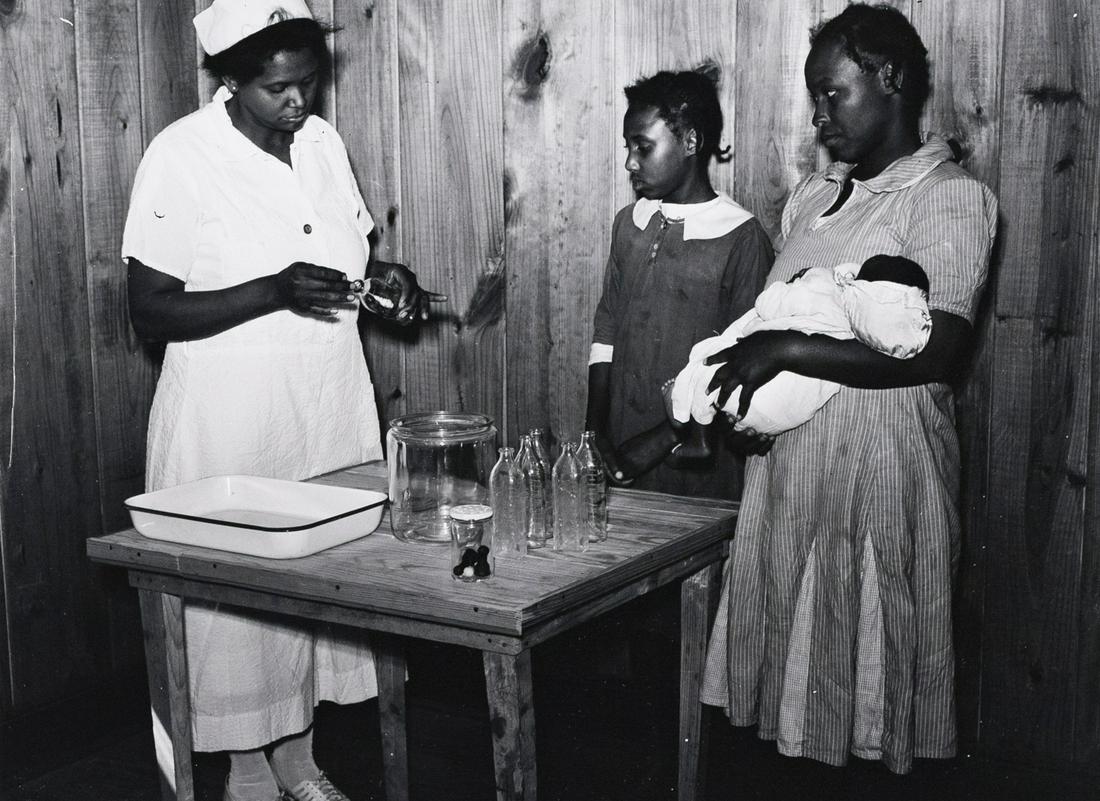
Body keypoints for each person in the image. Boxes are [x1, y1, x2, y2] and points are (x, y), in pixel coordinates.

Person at [122, 2, 441, 800]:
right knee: (238, 605)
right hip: (231, 419)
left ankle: (299, 760)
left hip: (324, 405)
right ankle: (244, 773)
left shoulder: (322, 144)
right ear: (229, 80)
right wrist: (271, 290)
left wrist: (384, 286)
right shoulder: (182, 156)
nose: (299, 103)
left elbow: (347, 257)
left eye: (309, 82)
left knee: (317, 582)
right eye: (277, 88)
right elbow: (150, 309)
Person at [698, 3, 998, 776]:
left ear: (890, 80)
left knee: (868, 702)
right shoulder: (809, 198)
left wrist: (788, 347)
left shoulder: (948, 197)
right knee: (788, 716)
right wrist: (745, 403)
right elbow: (769, 320)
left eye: (835, 94)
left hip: (881, 480)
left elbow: (940, 346)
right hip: (790, 479)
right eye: (814, 99)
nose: (820, 116)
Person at [585, 68, 773, 501]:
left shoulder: (741, 237)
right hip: (618, 450)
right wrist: (594, 434)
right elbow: (606, 329)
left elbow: (738, 363)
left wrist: (661, 439)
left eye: (643, 147)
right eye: (628, 147)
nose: (630, 162)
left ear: (690, 142)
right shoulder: (630, 225)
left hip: (692, 464)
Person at [665, 254, 932, 455]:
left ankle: (692, 427)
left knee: (706, 359)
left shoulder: (827, 294)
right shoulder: (871, 329)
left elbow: (768, 305)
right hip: (791, 411)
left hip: (756, 392)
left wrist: (792, 285)